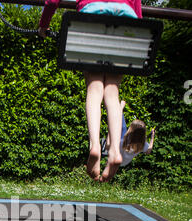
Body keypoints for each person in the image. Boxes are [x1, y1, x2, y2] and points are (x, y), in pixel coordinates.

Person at [38, 0, 143, 182]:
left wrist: (43, 26)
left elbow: (52, 1)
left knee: (94, 88)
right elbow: (139, 12)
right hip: (126, 21)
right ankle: (115, 152)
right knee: (112, 91)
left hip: (91, 17)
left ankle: (95, 146)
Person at [103, 100, 156, 167]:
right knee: (123, 128)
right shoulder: (142, 145)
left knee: (122, 127)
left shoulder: (122, 141)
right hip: (123, 163)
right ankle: (120, 110)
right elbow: (149, 150)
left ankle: (120, 109)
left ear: (131, 130)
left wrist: (110, 130)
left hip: (115, 159)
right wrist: (152, 137)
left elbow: (107, 146)